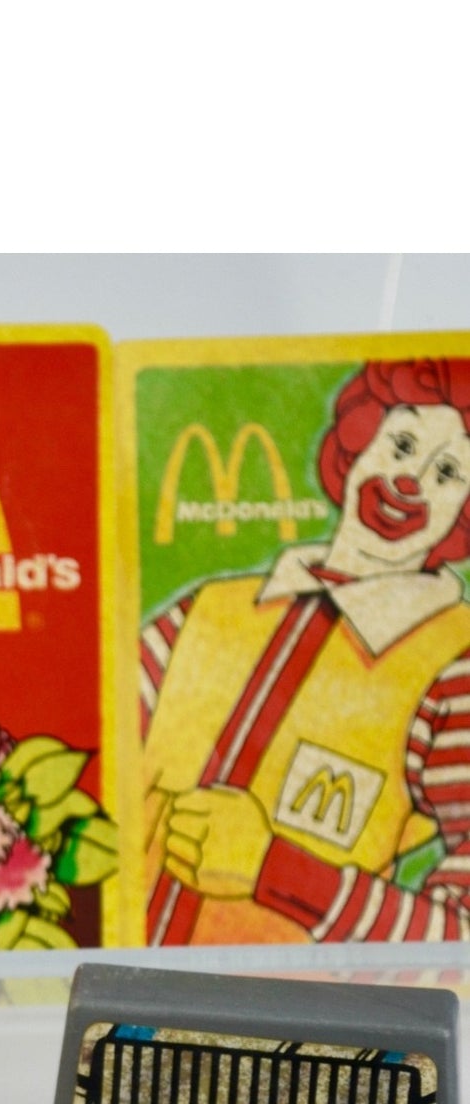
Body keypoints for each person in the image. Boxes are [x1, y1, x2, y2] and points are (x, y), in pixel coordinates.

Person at [139, 359, 470, 945]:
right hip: (103, 990)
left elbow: (461, 941)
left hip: (288, 1004)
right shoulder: (206, 611)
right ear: (359, 444)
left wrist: (277, 872)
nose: (409, 481)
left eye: (446, 473)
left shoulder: (454, 666)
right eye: (401, 445)